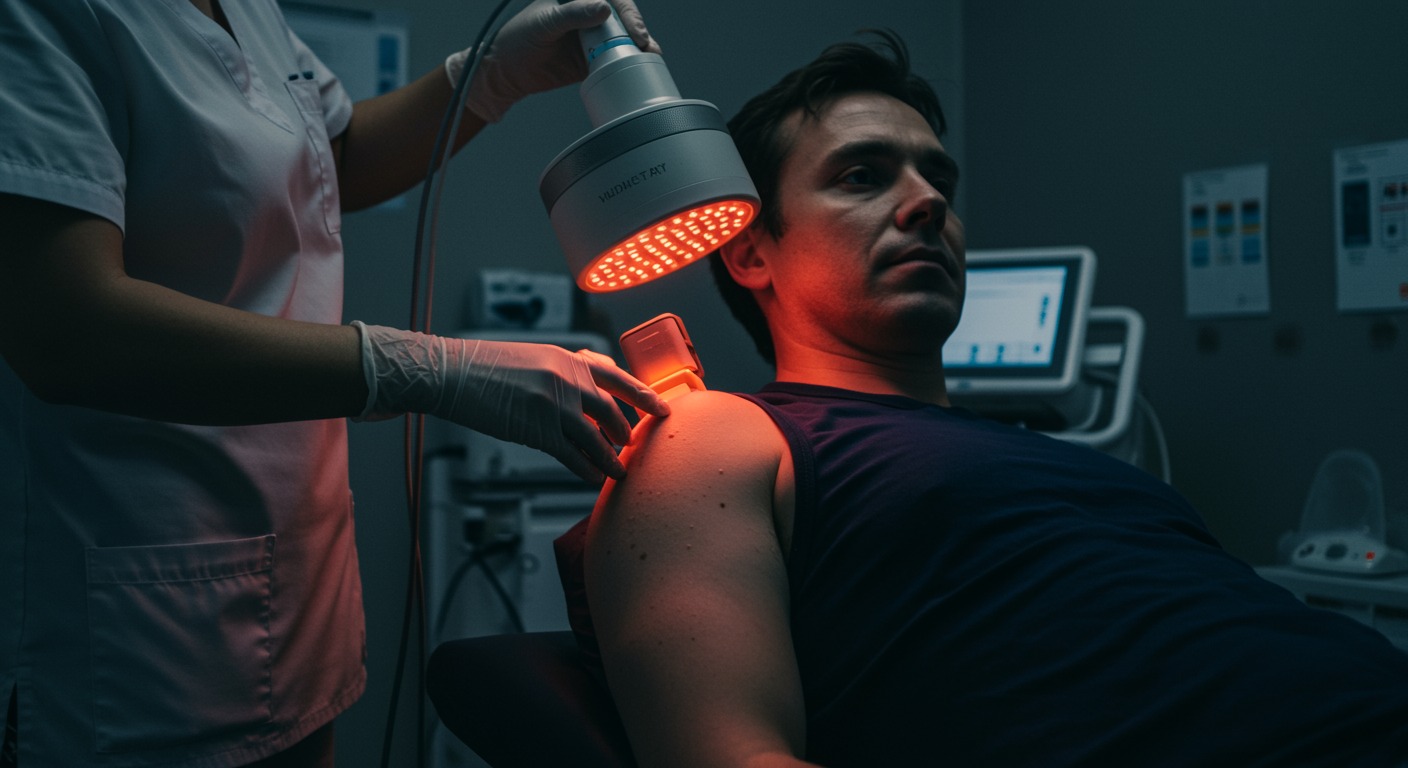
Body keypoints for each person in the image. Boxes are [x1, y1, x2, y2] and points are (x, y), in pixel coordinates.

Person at [555, 31, 1408, 767]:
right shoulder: (717, 436)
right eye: (862, 176)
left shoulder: (1078, 465)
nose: (928, 203)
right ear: (748, 252)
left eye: (940, 182)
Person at [0, 0, 670, 766]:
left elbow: (331, 155)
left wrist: (489, 79)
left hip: (296, 575)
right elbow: (64, 329)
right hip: (136, 604)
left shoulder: (248, 9)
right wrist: (418, 369)